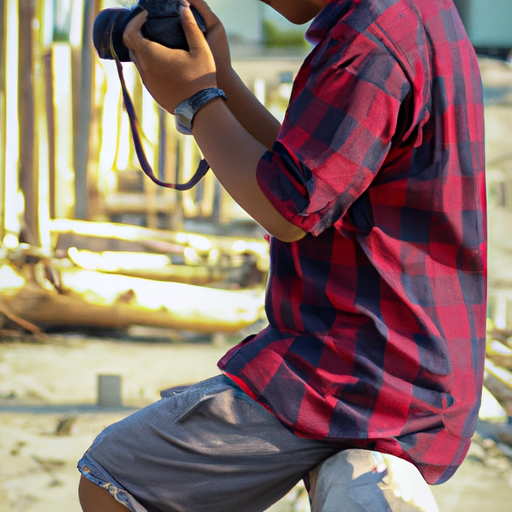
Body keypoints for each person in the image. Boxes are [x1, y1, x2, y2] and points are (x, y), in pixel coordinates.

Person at [78, 0, 487, 510]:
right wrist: (219, 79)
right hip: (410, 357)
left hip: (361, 370)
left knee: (114, 473)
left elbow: (289, 210)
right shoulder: (402, 14)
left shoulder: (367, 43)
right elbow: (313, 169)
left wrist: (195, 101)